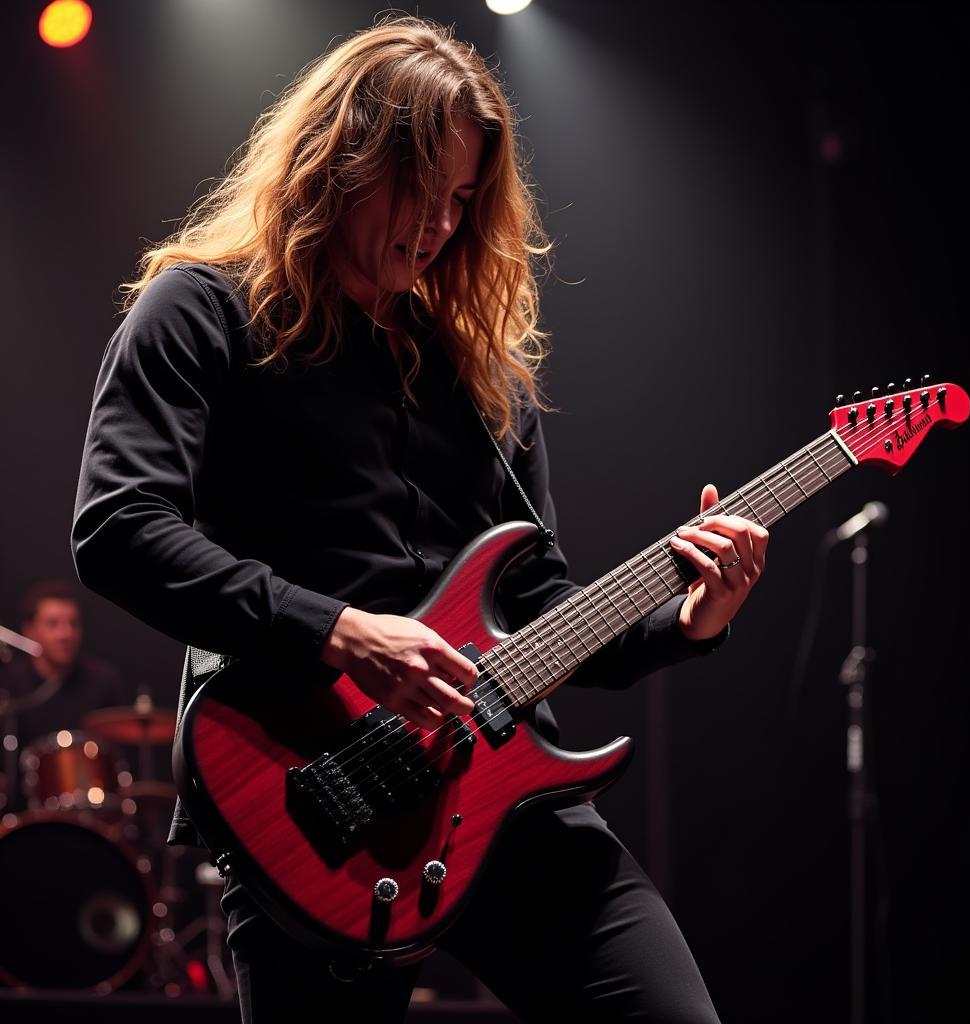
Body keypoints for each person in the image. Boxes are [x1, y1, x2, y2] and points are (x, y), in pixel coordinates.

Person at [72, 16, 768, 1022]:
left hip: (500, 790)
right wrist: (339, 631)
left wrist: (686, 620)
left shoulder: (478, 371)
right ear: (340, 161)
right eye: (419, 190)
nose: (440, 226)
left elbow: (539, 601)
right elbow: (117, 525)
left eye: (460, 200)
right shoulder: (202, 310)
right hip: (310, 796)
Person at [0, 580, 127, 813]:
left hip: (95, 816)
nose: (66, 634)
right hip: (26, 818)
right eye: (53, 624)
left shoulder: (103, 681)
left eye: (73, 624)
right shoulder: (10, 686)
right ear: (29, 630)